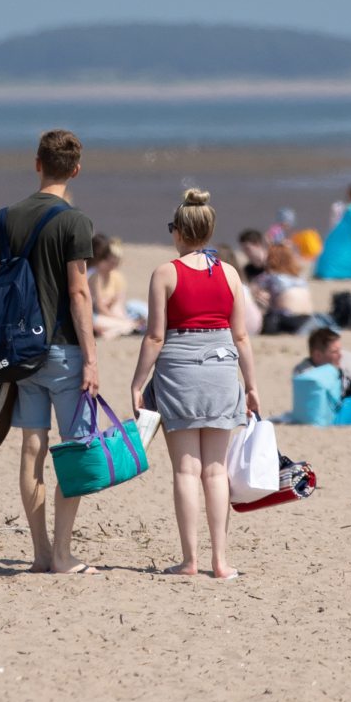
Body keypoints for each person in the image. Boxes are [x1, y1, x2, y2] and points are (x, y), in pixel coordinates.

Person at [0, 129, 99, 575]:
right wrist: (91, 357)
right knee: (74, 451)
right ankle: (64, 556)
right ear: (75, 169)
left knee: (32, 446)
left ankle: (40, 554)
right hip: (65, 350)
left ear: (37, 163)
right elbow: (79, 294)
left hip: (20, 352)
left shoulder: (4, 217)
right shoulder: (75, 221)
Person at [131, 188, 258, 580]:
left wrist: (137, 383)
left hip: (179, 372)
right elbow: (241, 337)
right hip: (222, 369)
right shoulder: (231, 273)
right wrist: (251, 385)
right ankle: (220, 561)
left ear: (179, 232)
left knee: (187, 471)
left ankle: (190, 561)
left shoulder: (165, 273)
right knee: (216, 472)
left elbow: (155, 337)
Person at [255, 244, 322, 335]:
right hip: (309, 319)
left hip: (287, 319)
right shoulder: (299, 278)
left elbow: (253, 291)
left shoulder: (270, 277)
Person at [88, 234, 141, 339]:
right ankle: (127, 327)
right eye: (110, 261)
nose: (113, 265)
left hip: (106, 314)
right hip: (94, 315)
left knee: (131, 308)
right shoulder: (93, 275)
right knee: (126, 323)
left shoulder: (115, 276)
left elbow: (119, 302)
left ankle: (121, 328)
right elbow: (98, 306)